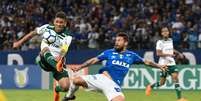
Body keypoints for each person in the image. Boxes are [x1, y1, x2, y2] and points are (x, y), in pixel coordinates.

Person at [63, 32, 167, 101]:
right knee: (76, 80)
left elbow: (147, 62)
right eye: (116, 40)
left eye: (119, 41)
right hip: (101, 78)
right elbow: (94, 59)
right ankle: (69, 96)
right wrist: (80, 67)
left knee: (120, 100)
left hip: (113, 84)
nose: (116, 42)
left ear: (125, 43)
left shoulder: (131, 55)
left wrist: (159, 66)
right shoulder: (109, 52)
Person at [13, 11, 74, 101]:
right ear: (54, 21)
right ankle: (45, 61)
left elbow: (64, 48)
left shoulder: (68, 35)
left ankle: (56, 89)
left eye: (61, 22)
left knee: (66, 87)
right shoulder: (47, 28)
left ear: (65, 23)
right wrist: (19, 43)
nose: (59, 24)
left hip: (57, 62)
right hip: (44, 60)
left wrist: (60, 57)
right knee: (45, 49)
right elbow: (33, 33)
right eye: (57, 21)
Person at [145, 26, 186, 101]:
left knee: (175, 78)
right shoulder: (159, 42)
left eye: (166, 31)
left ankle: (180, 98)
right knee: (162, 83)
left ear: (168, 32)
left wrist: (178, 53)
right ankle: (150, 86)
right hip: (163, 64)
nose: (165, 32)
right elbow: (158, 53)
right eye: (164, 31)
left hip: (172, 63)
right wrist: (169, 54)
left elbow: (171, 49)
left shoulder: (170, 40)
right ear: (161, 33)